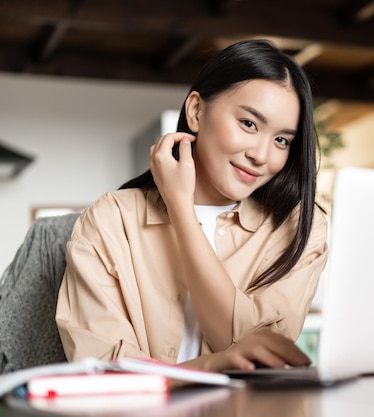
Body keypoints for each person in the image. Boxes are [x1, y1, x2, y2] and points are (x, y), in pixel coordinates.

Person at [55, 39, 329, 372]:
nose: (261, 155)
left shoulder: (298, 228)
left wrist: (182, 212)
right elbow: (102, 368)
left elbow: (251, 354)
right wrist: (210, 368)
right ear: (197, 111)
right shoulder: (112, 218)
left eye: (282, 140)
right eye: (249, 124)